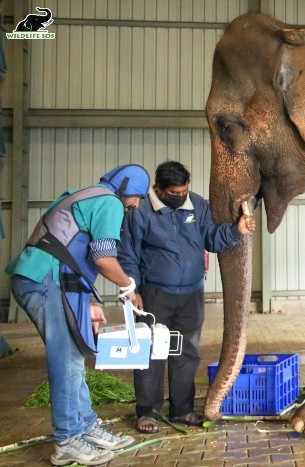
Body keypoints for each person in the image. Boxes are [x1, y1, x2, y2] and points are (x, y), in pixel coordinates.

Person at [5, 164, 150, 466]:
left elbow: (70, 251)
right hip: (46, 281)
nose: (136, 206)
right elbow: (103, 258)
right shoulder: (110, 203)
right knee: (67, 358)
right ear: (128, 190)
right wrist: (129, 287)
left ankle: (85, 427)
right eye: (138, 198)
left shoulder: (85, 195)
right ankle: (68, 440)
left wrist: (88, 300)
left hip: (50, 279)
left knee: (74, 357)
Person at [118, 160, 255, 434]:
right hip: (154, 294)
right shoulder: (141, 210)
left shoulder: (197, 205)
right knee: (150, 353)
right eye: (175, 193)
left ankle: (182, 409)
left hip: (192, 293)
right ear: (159, 188)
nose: (181, 197)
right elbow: (128, 254)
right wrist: (131, 292)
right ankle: (148, 412)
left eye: (184, 191)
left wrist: (236, 230)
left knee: (186, 352)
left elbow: (212, 239)